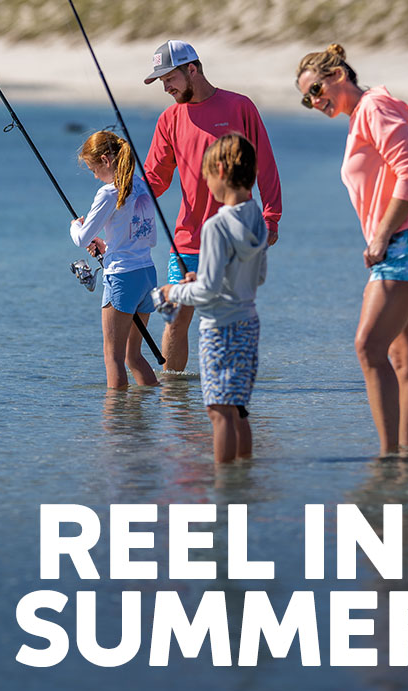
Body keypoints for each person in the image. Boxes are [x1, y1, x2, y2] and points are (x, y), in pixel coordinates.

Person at [296, 44, 408, 456]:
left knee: (368, 347)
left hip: (405, 243)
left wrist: (381, 236)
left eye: (316, 90)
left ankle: (386, 459)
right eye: (307, 99)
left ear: (338, 75)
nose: (314, 102)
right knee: (403, 359)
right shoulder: (364, 115)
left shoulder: (374, 107)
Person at [143, 40, 281, 372]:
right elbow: (154, 181)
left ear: (192, 69)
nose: (166, 88)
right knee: (176, 316)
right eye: (161, 82)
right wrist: (119, 198)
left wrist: (271, 218)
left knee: (230, 317)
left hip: (236, 234)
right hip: (187, 238)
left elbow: (265, 164)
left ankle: (232, 395)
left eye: (170, 78)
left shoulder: (240, 107)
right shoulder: (169, 119)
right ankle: (177, 405)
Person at [159, 134, 267, 463]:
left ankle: (223, 487)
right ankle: (242, 482)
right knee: (239, 409)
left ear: (220, 170)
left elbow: (205, 291)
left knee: (218, 412)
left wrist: (173, 291)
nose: (207, 183)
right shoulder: (257, 218)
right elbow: (258, 276)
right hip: (248, 324)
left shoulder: (216, 225)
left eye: (207, 176)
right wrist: (205, 279)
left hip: (219, 329)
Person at [70, 131, 159, 389]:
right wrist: (107, 247)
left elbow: (81, 237)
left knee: (113, 358)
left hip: (122, 277)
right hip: (147, 275)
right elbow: (144, 236)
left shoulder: (109, 192)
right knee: (133, 356)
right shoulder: (142, 186)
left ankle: (116, 425)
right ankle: (157, 410)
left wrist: (75, 226)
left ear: (106, 160)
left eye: (93, 168)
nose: (94, 175)